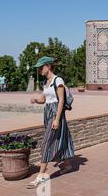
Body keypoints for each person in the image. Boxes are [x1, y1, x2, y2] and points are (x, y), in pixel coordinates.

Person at [27, 57, 75, 188]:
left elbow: (60, 100)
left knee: (46, 143)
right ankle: (67, 165)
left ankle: (41, 176)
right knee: (59, 139)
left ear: (48, 66)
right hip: (47, 114)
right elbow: (44, 99)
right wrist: (36, 100)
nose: (39, 70)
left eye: (41, 67)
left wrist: (57, 119)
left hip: (55, 114)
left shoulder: (58, 80)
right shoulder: (46, 82)